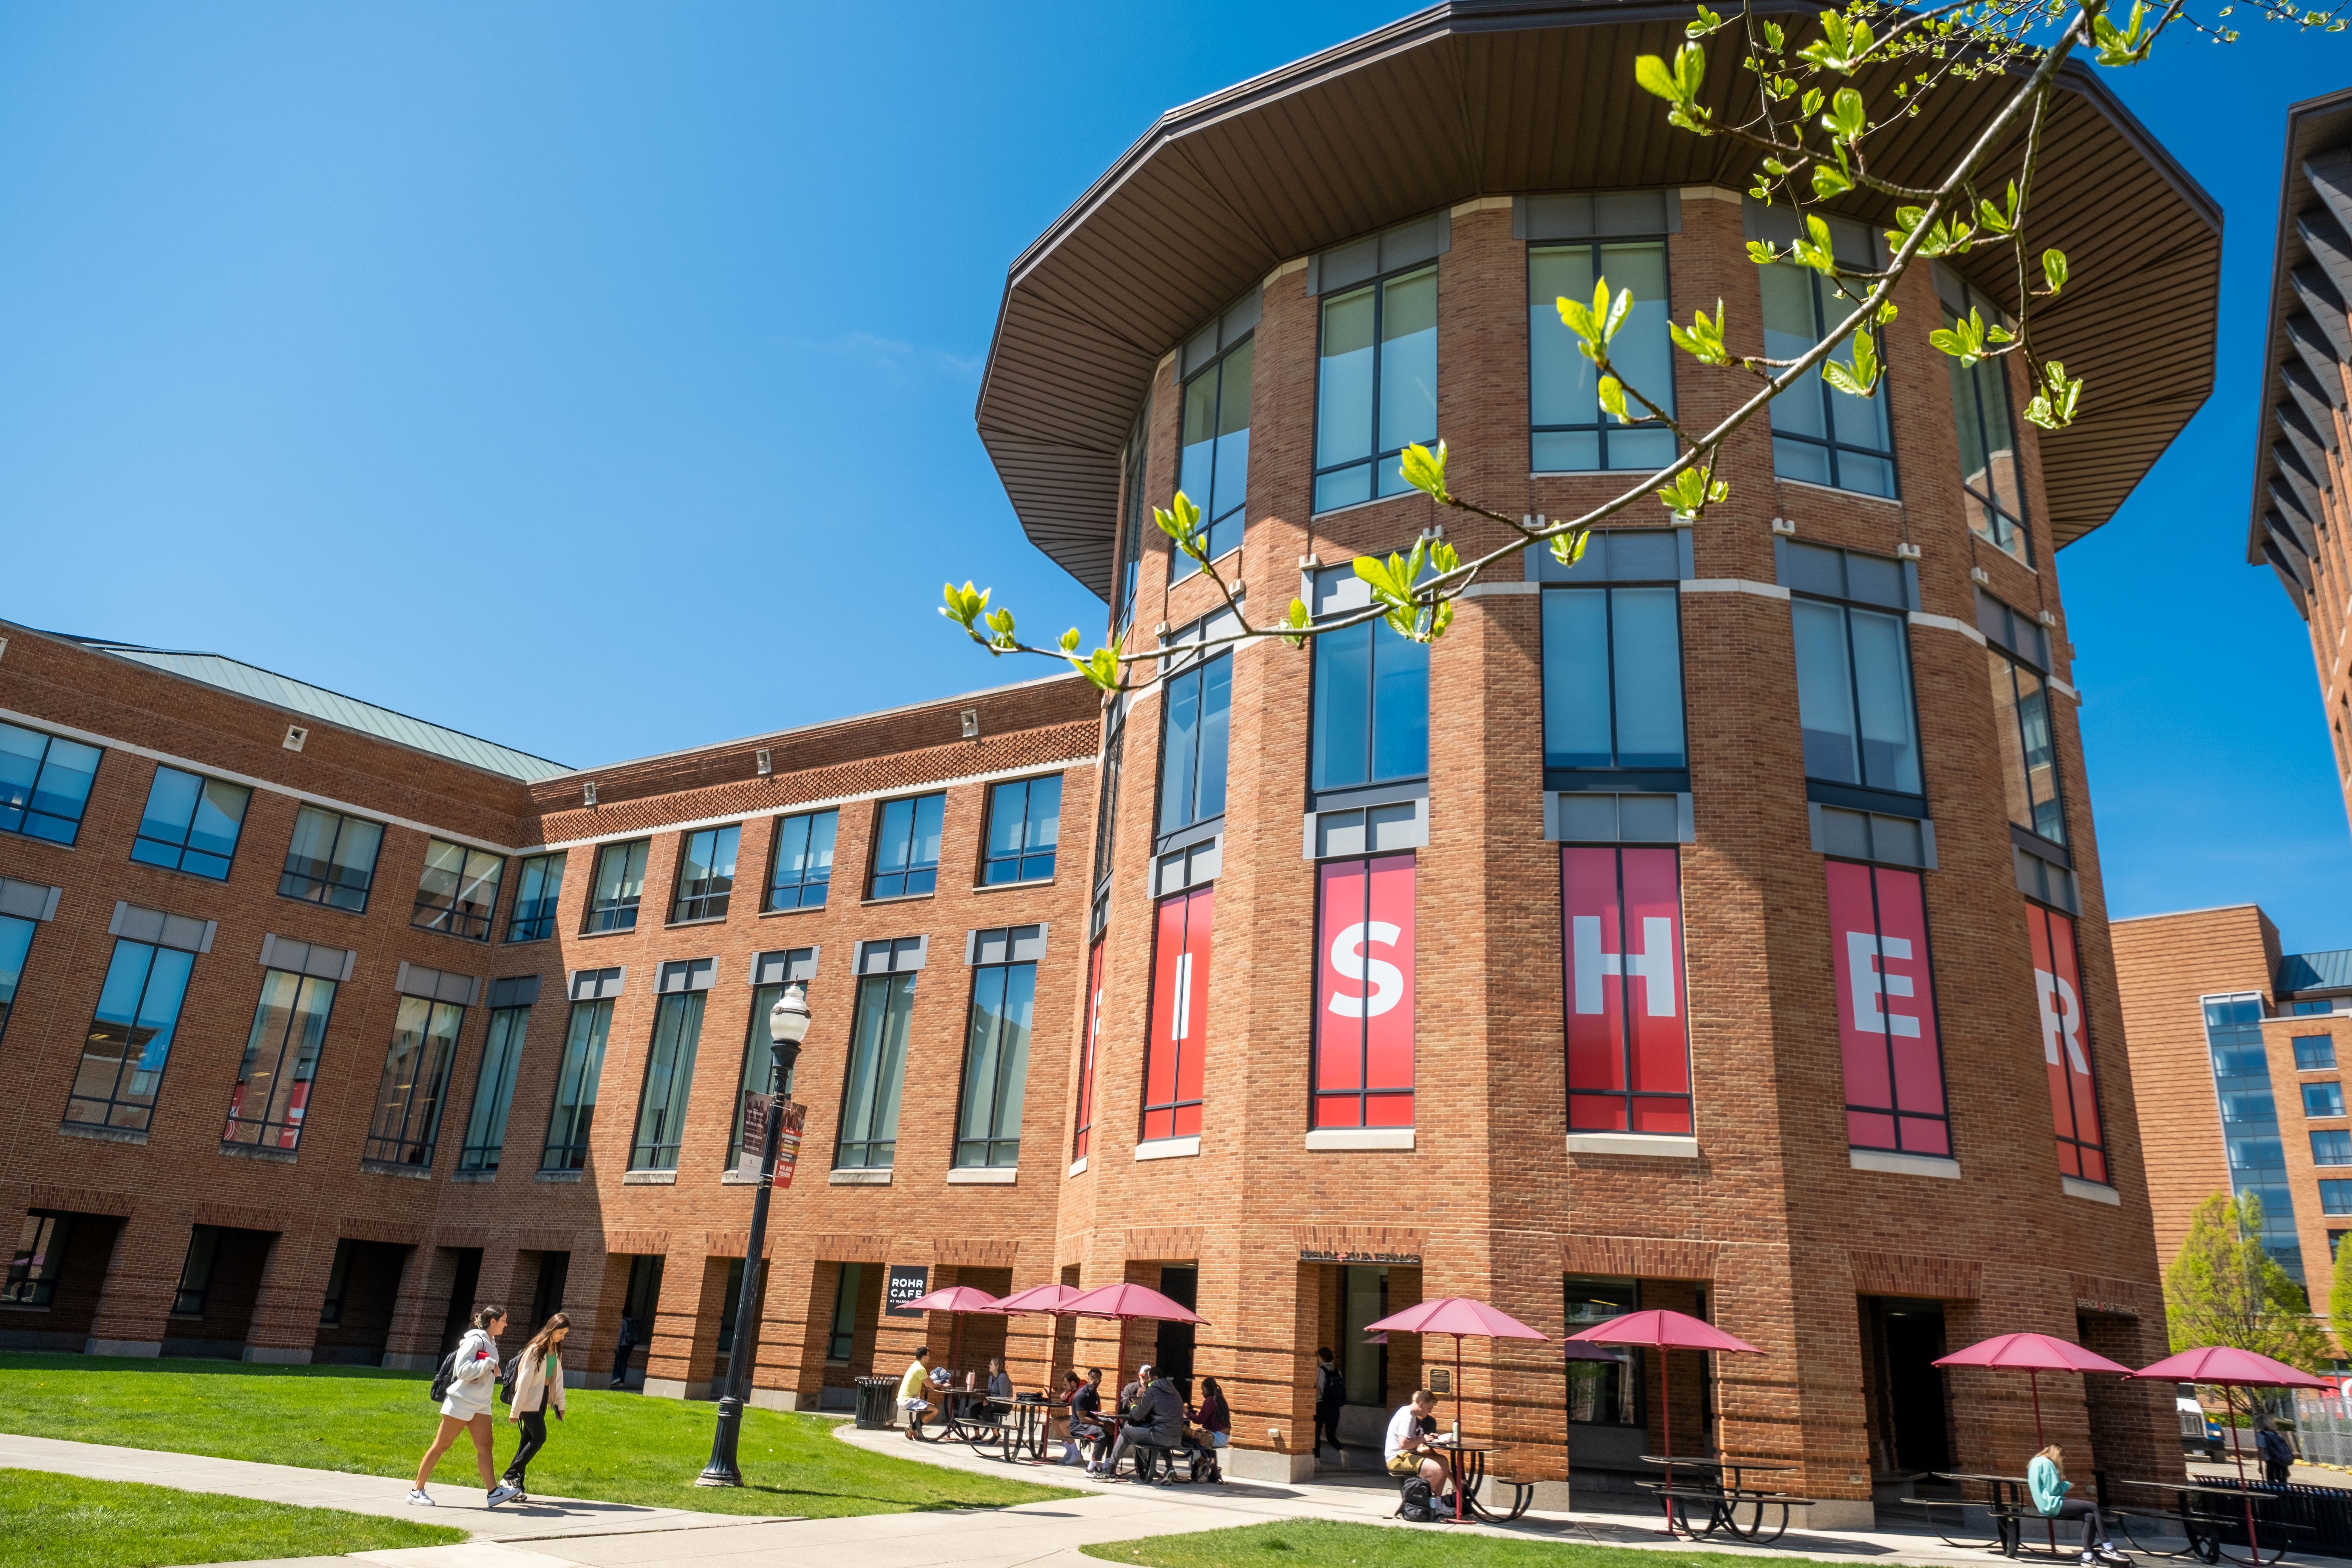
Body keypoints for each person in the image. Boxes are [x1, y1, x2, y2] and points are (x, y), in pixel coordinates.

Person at [410, 1305, 516, 1508]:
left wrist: (490, 1363)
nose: (506, 1324)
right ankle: (416, 1491)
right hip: (462, 1401)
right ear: (492, 1322)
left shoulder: (491, 1343)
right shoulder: (475, 1341)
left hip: (481, 1404)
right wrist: (488, 1364)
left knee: (485, 1446)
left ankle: (494, 1492)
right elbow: (462, 1370)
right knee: (442, 1445)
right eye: (504, 1320)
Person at [501, 1312, 570, 1503]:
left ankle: (517, 1487)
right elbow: (523, 1383)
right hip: (528, 1402)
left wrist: (560, 1403)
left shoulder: (556, 1350)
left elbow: (558, 1379)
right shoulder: (535, 1350)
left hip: (542, 1400)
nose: (562, 1337)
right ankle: (509, 1476)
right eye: (561, 1333)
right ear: (552, 1328)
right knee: (540, 1438)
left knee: (527, 1442)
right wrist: (515, 1410)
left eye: (565, 1334)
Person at [2029, 1442, 2130, 1566]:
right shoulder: (2047, 1463)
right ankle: (2108, 1546)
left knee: (2089, 1516)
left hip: (2045, 1506)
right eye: (2061, 1459)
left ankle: (2088, 1557)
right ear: (2058, 1454)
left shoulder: (2035, 1462)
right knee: (2093, 1506)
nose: (2061, 1462)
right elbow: (2053, 1490)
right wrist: (2066, 1485)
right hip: (2053, 1504)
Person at [1105, 1366, 1186, 1484]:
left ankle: (1110, 1470)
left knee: (1125, 1433)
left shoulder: (1152, 1391)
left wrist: (1132, 1405)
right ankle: (1170, 1468)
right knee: (1164, 1433)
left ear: (1155, 1378)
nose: (1146, 1382)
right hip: (1177, 1438)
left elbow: (1138, 1415)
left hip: (1159, 1436)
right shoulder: (1176, 1392)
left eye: (1147, 1378)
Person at [1385, 1389, 1452, 1505]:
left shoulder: (1409, 1413)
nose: (1430, 1412)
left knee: (1444, 1462)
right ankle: (1417, 1502)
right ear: (1422, 1404)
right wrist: (1423, 1439)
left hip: (1405, 1455)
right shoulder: (1407, 1417)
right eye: (1429, 1408)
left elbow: (1411, 1439)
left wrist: (1426, 1437)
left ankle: (1438, 1503)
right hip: (1396, 1458)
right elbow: (1404, 1444)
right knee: (1436, 1470)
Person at [1189, 1375, 1232, 1484]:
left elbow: (1199, 1420)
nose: (1202, 1393)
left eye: (1203, 1390)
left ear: (1207, 1389)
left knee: (1192, 1441)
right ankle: (1211, 1469)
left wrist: (1186, 1413)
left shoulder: (1210, 1400)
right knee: (1201, 1440)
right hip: (1224, 1438)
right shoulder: (1220, 1399)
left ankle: (1201, 1467)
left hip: (1217, 1437)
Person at [1071, 1367, 1108, 1470]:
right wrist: (1100, 1424)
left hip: (1091, 1425)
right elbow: (1083, 1419)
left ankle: (1108, 1466)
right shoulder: (1081, 1395)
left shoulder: (1095, 1395)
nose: (1093, 1382)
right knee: (1102, 1434)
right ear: (1088, 1379)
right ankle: (1091, 1468)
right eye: (1092, 1379)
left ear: (1100, 1381)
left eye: (1097, 1380)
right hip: (1079, 1426)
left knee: (1112, 1434)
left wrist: (1107, 1423)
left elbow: (1095, 1415)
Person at [898, 1346, 935, 1441]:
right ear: (924, 1357)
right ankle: (914, 1428)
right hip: (908, 1400)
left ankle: (914, 1428)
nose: (930, 1358)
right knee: (934, 1411)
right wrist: (945, 1386)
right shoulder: (920, 1369)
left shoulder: (915, 1365)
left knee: (929, 1408)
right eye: (929, 1356)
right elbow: (932, 1386)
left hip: (905, 1399)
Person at [1312, 1348, 1344, 1458]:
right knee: (1331, 1435)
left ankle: (1317, 1460)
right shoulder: (1337, 1370)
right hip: (1335, 1407)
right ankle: (1342, 1452)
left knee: (1316, 1434)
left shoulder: (1320, 1370)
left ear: (1321, 1357)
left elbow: (1320, 1387)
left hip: (1322, 1406)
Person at [2257, 1412, 2298, 1486]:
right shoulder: (2275, 1434)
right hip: (2280, 1461)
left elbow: (2262, 1450)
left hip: (2271, 1461)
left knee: (2271, 1482)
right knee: (2283, 1482)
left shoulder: (2261, 1435)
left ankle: (2274, 1496)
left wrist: (2260, 1465)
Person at [608, 1312, 637, 1391]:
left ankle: (617, 1377)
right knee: (624, 1362)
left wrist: (617, 1347)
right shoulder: (633, 1322)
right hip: (630, 1345)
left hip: (623, 1345)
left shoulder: (623, 1321)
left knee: (614, 1360)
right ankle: (622, 1382)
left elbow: (620, 1334)